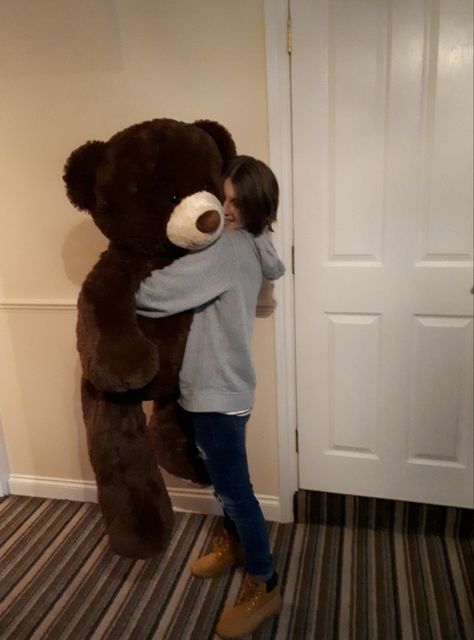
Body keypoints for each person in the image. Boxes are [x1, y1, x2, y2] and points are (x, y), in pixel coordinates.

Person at [135, 155, 285, 638]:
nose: (227, 210)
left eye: (237, 203)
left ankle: (264, 582)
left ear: (257, 205)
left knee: (235, 492)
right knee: (227, 485)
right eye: (224, 199)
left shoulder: (228, 249)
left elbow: (157, 294)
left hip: (217, 392)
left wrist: (122, 278)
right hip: (230, 387)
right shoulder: (256, 245)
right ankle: (234, 545)